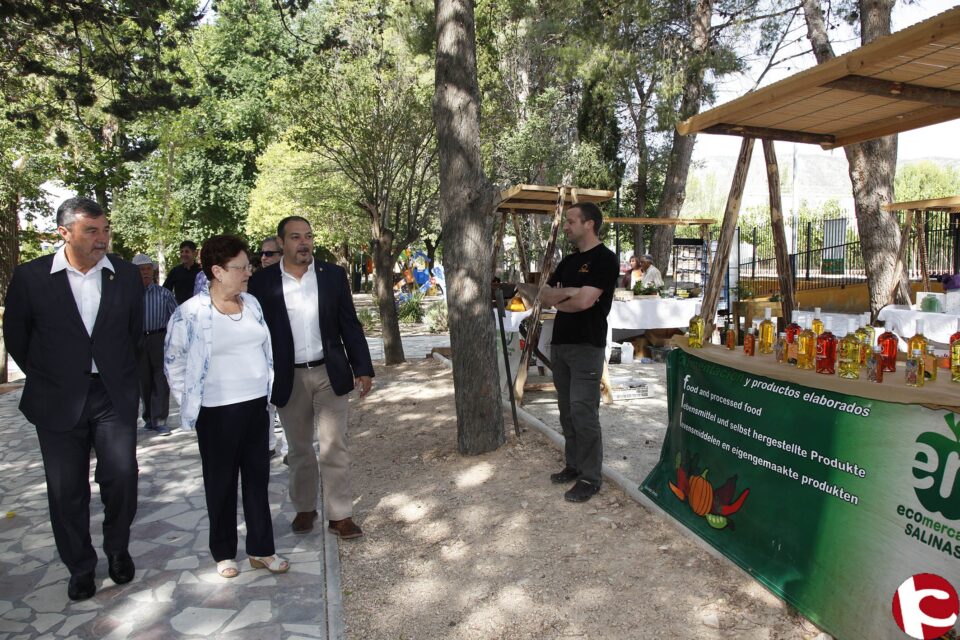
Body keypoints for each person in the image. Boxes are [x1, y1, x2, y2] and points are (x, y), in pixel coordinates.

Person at [3, 197, 143, 600]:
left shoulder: (127, 276)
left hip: (111, 396)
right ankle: (80, 566)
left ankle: (117, 551)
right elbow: (18, 337)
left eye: (105, 230)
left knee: (121, 478)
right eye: (91, 231)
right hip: (57, 399)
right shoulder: (31, 277)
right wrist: (53, 376)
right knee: (66, 490)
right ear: (64, 233)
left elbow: (132, 335)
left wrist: (115, 374)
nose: (102, 239)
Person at [164, 234, 289, 578]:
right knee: (220, 484)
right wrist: (190, 401)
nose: (248, 272)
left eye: (248, 265)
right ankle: (223, 552)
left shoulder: (252, 304)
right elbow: (173, 362)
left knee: (257, 480)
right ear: (217, 271)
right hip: (216, 411)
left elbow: (265, 349)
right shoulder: (189, 313)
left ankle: (262, 550)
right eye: (241, 267)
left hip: (254, 408)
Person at [248, 216, 374, 539]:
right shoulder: (262, 283)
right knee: (300, 449)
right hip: (288, 377)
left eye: (308, 236)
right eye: (295, 237)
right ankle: (305, 508)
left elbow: (349, 322)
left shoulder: (332, 276)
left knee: (335, 445)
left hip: (329, 372)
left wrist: (362, 367)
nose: (303, 243)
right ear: (280, 243)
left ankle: (341, 515)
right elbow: (254, 333)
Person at [535, 202, 618, 503]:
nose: (566, 227)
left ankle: (591, 477)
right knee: (567, 411)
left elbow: (585, 303)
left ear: (589, 224)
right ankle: (574, 464)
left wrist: (569, 295)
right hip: (561, 344)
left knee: (584, 411)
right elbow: (545, 296)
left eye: (571, 221)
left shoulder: (606, 260)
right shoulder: (568, 261)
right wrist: (570, 293)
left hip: (587, 346)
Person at [132, 253, 178, 436]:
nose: (145, 273)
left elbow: (176, 318)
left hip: (159, 338)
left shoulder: (164, 294)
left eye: (148, 269)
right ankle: (148, 418)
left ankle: (160, 419)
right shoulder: (130, 295)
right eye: (141, 270)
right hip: (138, 340)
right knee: (143, 380)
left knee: (160, 379)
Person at [258, 235, 288, 463]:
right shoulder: (255, 282)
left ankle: (289, 448)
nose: (264, 258)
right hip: (261, 352)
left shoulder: (291, 281)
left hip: (286, 351)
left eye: (269, 253)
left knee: (287, 401)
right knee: (266, 402)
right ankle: (267, 445)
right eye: (262, 253)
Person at [163, 240, 201, 305]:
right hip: (179, 310)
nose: (183, 254)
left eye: (187, 251)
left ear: (195, 253)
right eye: (181, 252)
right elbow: (165, 291)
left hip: (198, 309)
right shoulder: (175, 271)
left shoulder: (201, 271)